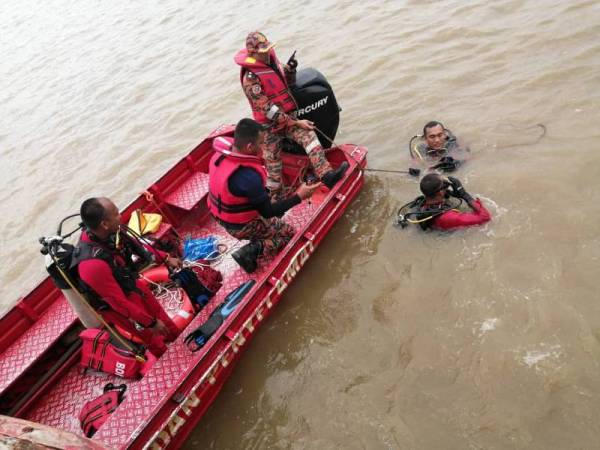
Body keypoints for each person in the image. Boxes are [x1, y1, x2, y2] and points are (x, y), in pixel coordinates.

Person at [234, 31, 348, 199]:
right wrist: (295, 122)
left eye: (268, 49)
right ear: (253, 53)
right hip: (268, 127)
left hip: (286, 118)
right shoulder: (250, 80)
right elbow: (268, 109)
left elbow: (288, 84)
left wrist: (291, 71)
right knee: (274, 168)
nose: (267, 55)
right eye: (263, 52)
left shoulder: (271, 61)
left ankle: (327, 175)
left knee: (309, 136)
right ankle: (274, 202)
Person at [72, 197, 182, 357]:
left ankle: (178, 340)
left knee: (164, 321)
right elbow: (119, 304)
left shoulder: (111, 231)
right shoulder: (91, 265)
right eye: (116, 213)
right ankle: (167, 357)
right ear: (104, 224)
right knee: (151, 337)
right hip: (119, 307)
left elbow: (137, 245)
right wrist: (149, 322)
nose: (121, 215)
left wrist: (165, 258)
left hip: (130, 283)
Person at [208, 118, 320, 273]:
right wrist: (299, 196)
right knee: (288, 235)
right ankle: (252, 250)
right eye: (261, 143)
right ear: (249, 146)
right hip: (241, 227)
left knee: (273, 216)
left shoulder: (218, 157)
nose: (263, 147)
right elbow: (268, 212)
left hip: (220, 218)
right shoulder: (248, 177)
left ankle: (257, 237)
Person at [398, 174, 491, 230]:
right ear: (440, 192)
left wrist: (448, 193)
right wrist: (464, 195)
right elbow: (485, 218)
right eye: (445, 185)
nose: (447, 187)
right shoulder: (448, 217)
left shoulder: (421, 203)